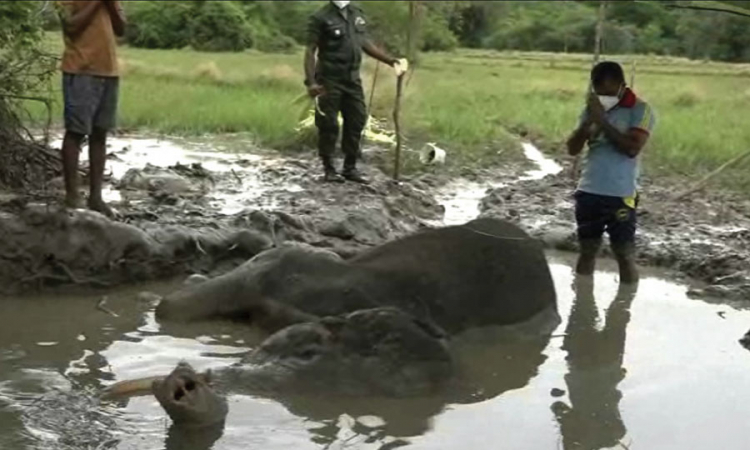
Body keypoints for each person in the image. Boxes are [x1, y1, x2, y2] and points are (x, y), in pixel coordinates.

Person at [567, 61, 656, 284]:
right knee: (586, 252)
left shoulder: (640, 110)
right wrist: (588, 122)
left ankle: (622, 313)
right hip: (589, 192)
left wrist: (602, 121)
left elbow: (631, 149)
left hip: (621, 194)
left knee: (624, 255)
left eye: (608, 91)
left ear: (621, 85)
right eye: (599, 92)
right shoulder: (592, 109)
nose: (603, 96)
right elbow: (572, 149)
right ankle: (582, 308)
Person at [305, 0, 406, 184]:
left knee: (357, 120)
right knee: (329, 124)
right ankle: (329, 169)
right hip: (328, 79)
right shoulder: (320, 17)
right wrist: (311, 82)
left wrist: (391, 61)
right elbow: (310, 50)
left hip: (352, 80)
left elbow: (364, 42)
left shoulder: (357, 13)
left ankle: (349, 168)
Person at [56, 0, 126, 217]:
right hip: (80, 69)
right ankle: (72, 196)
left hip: (109, 70)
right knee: (76, 132)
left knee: (100, 134)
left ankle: (96, 198)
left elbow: (121, 28)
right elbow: (71, 26)